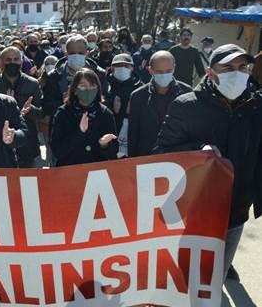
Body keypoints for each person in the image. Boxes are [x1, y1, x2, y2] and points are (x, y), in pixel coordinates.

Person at [154, 44, 262, 283]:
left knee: (216, 279)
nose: (237, 73)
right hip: (194, 212)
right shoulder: (186, 105)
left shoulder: (256, 107)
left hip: (236, 210)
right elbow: (162, 153)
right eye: (228, 68)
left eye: (243, 67)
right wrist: (196, 150)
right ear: (210, 73)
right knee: (188, 279)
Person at [128, 51, 192, 157]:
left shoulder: (187, 92)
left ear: (174, 68)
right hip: (147, 158)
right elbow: (133, 134)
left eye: (168, 71)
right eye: (159, 71)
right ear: (150, 70)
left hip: (178, 158)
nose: (164, 75)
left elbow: (192, 129)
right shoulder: (138, 96)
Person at [50, 68, 118, 166]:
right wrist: (79, 132)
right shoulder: (63, 113)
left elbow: (113, 152)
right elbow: (57, 151)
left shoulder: (105, 113)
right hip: (69, 172)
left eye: (92, 86)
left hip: (97, 173)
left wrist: (104, 144)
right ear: (75, 89)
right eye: (83, 86)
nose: (88, 90)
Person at [0, 47, 44, 168]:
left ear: (21, 62)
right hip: (1, 146)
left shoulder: (32, 83)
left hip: (27, 144)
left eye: (16, 59)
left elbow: (41, 113)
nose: (12, 63)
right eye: (8, 60)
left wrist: (31, 110)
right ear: (1, 63)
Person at [43, 35, 108, 122]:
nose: (76, 56)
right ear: (66, 54)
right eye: (72, 53)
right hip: (64, 125)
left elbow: (106, 100)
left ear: (87, 54)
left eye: (80, 53)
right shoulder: (54, 76)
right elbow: (46, 106)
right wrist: (65, 102)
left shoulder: (99, 74)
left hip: (93, 125)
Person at [105, 54, 142, 157]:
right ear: (112, 68)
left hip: (132, 133)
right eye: (118, 65)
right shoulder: (104, 84)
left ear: (132, 68)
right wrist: (111, 107)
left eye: (126, 66)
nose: (122, 68)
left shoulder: (139, 86)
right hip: (109, 130)